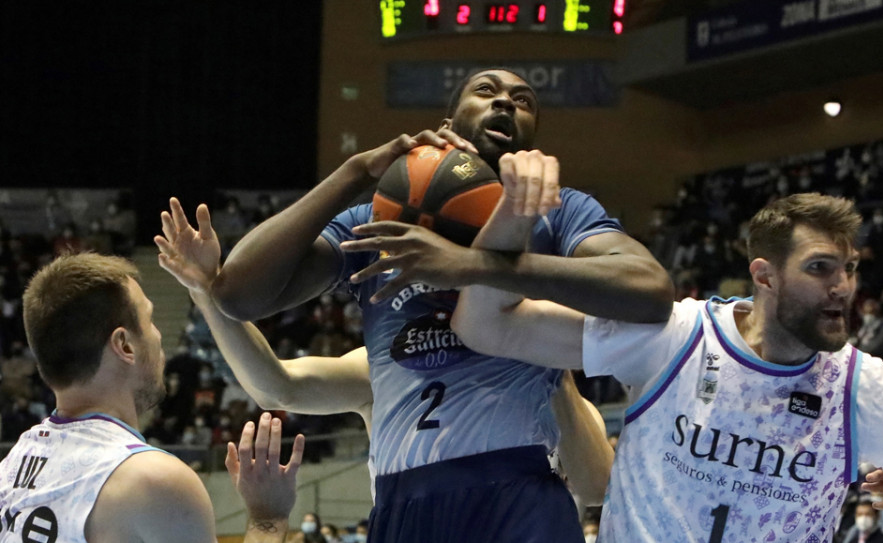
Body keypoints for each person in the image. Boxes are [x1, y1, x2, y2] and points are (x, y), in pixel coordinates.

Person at [209, 68, 671, 542]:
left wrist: (474, 265)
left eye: (524, 100)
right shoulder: (380, 216)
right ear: (449, 119)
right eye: (487, 91)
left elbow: (651, 289)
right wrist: (355, 174)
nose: (506, 103)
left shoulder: (559, 211)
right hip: (401, 499)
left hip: (516, 487)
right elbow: (237, 294)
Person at [452, 192, 883, 542]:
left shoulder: (862, 385)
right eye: (820, 268)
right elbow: (487, 326)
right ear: (765, 276)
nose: (842, 286)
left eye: (850, 268)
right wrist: (513, 212)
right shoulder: (675, 334)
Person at [154, 197, 614, 506]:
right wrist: (205, 291)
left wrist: (548, 362)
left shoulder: (541, 375)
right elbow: (278, 388)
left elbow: (596, 487)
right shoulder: (390, 366)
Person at [0, 252, 305, 542]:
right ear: (125, 345)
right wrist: (268, 518)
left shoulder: (11, 466)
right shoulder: (154, 480)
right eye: (149, 318)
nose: (158, 335)